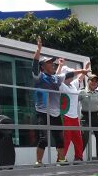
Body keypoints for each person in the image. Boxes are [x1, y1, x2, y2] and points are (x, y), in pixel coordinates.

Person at [31, 37, 86, 166]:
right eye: (49, 63)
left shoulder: (56, 78)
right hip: (43, 112)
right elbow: (34, 64)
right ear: (43, 66)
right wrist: (38, 50)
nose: (52, 64)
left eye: (52, 63)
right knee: (43, 138)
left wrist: (82, 71)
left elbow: (69, 75)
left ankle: (61, 160)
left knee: (60, 139)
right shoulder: (39, 77)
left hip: (55, 113)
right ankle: (38, 161)